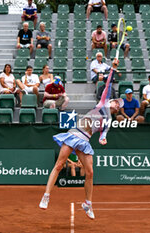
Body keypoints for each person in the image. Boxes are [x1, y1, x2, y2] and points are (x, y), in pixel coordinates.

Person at [39, 59, 123, 220]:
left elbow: (103, 136)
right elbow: (108, 84)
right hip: (74, 134)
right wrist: (112, 68)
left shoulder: (108, 121)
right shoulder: (103, 103)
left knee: (90, 172)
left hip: (85, 142)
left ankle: (88, 204)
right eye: (116, 101)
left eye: (119, 105)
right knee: (59, 165)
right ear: (110, 101)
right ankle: (46, 196)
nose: (117, 104)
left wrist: (103, 140)